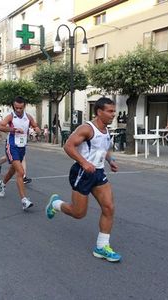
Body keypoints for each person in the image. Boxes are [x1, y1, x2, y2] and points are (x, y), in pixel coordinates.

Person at [45, 97, 122, 262]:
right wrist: (84, 162)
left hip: (98, 172)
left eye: (114, 111)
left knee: (109, 207)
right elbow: (68, 146)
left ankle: (102, 247)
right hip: (82, 172)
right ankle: (55, 204)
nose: (113, 114)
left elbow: (104, 148)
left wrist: (111, 161)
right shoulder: (87, 128)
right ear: (99, 111)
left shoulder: (106, 129)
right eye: (110, 111)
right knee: (79, 213)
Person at [0, 96, 40, 211]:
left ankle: (2, 183)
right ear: (13, 107)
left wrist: (37, 130)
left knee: (13, 170)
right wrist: (13, 129)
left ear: (24, 106)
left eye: (20, 108)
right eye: (16, 108)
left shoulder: (28, 117)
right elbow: (0, 126)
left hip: (22, 147)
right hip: (12, 146)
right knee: (20, 172)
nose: (18, 110)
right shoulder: (11, 116)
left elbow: (36, 126)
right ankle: (24, 200)